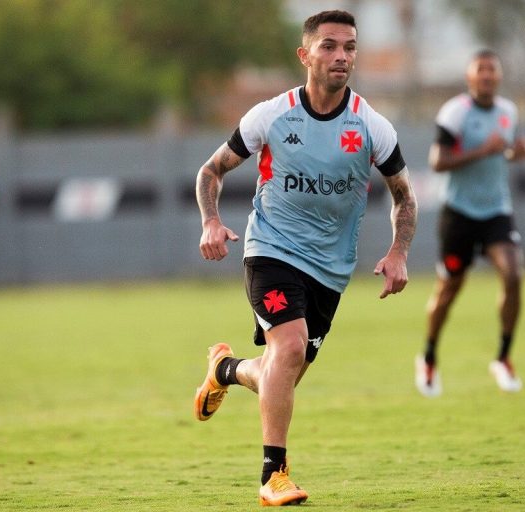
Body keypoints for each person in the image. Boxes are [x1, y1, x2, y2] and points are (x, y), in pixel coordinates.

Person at [192, 10, 417, 506]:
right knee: (289, 350)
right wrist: (211, 220)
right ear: (305, 55)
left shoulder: (371, 124)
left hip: (331, 271)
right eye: (330, 46)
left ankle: (225, 370)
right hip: (270, 250)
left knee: (281, 370)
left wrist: (399, 251)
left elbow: (404, 195)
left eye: (350, 48)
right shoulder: (272, 115)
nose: (342, 56)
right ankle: (274, 475)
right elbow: (212, 171)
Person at [415, 49, 525, 398]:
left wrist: (517, 154)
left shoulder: (508, 111)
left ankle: (503, 357)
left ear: (499, 77)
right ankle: (429, 356)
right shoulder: (455, 112)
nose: (486, 76)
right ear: (470, 78)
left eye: (492, 71)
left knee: (513, 274)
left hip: (496, 210)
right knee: (448, 289)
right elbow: (438, 161)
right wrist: (483, 150)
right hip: (459, 214)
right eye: (480, 71)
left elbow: (506, 151)